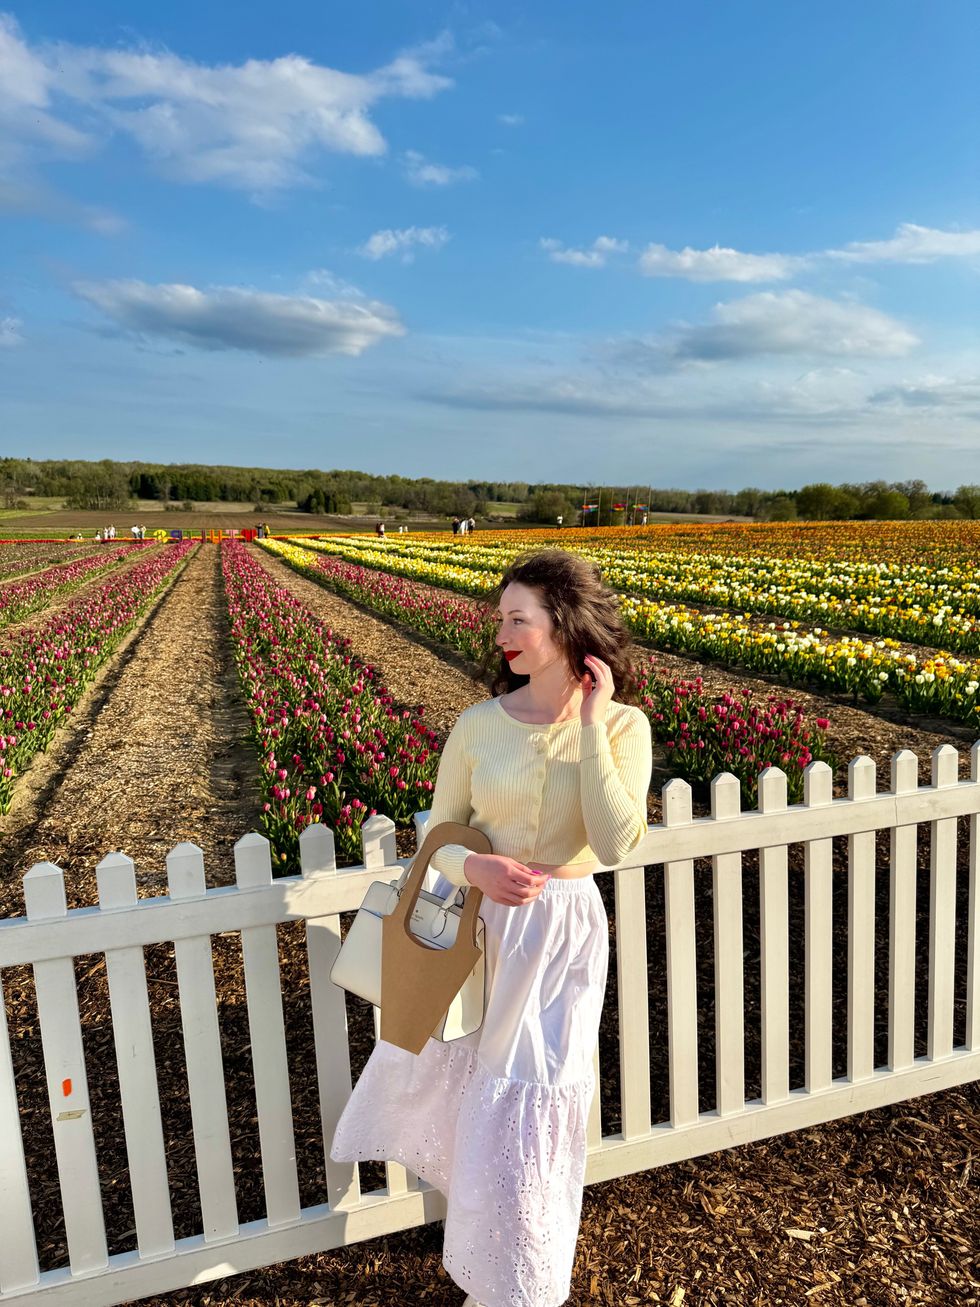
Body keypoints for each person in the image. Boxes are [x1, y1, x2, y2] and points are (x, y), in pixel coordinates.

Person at [330, 549, 653, 1307]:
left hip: (563, 936)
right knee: (481, 1095)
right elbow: (437, 839)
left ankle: (523, 1282)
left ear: (565, 627)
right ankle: (493, 1264)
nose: (501, 634)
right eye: (500, 619)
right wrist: (477, 868)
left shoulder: (622, 727)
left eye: (518, 619)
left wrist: (590, 723)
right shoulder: (478, 726)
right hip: (479, 934)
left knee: (538, 1094)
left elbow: (615, 843)